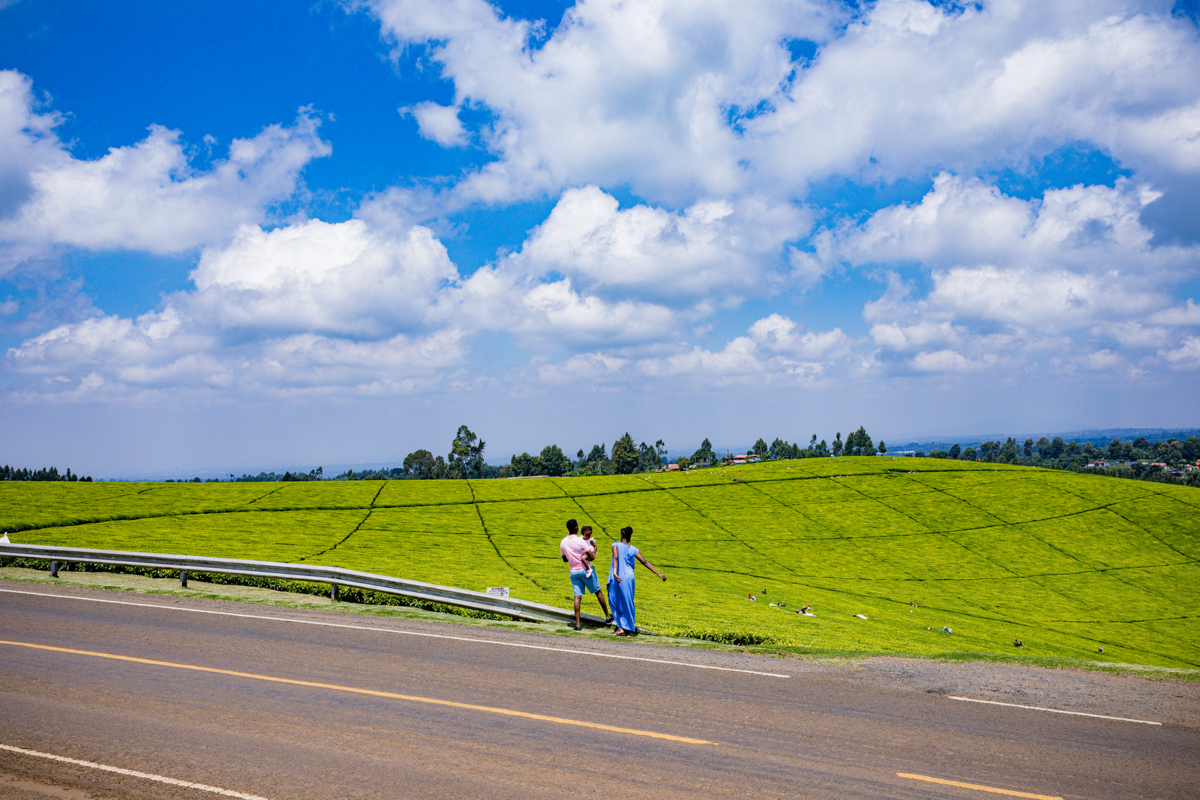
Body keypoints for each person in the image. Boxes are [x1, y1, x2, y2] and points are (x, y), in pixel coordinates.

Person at [607, 526, 665, 636]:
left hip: (618, 576)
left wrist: (614, 572)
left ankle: (620, 628)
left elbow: (616, 557)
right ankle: (628, 630)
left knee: (615, 600)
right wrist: (658, 574)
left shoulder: (615, 545)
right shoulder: (633, 549)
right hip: (629, 578)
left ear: (621, 535)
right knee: (628, 602)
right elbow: (644, 562)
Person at [559, 518, 612, 631]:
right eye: (577, 526)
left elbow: (564, 559)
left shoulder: (563, 542)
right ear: (576, 528)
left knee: (577, 597)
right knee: (598, 591)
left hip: (573, 572)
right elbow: (591, 556)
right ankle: (607, 617)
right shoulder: (580, 541)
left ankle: (578, 624)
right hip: (585, 570)